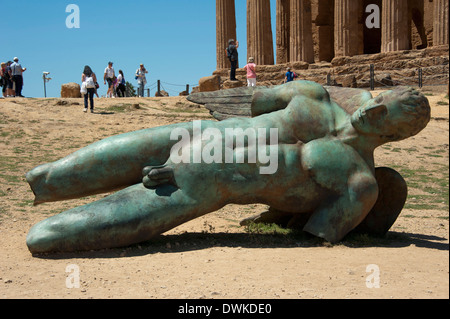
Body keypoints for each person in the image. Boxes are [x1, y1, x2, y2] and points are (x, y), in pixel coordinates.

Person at [25, 81, 430, 253]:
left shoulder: (358, 184)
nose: (370, 110)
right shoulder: (313, 95)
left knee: (45, 237)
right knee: (50, 175)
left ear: (394, 136)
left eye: (383, 116)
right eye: (377, 99)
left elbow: (315, 232)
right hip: (188, 133)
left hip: (204, 183)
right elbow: (253, 103)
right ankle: (42, 184)